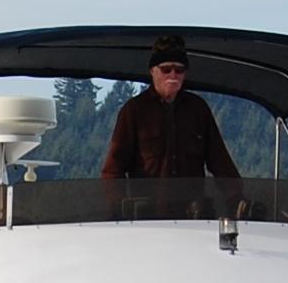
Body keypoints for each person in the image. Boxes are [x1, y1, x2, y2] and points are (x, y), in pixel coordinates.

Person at [100, 36, 241, 180]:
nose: (173, 74)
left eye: (179, 70)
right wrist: (119, 202)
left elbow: (221, 163)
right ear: (152, 71)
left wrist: (237, 199)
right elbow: (112, 171)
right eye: (166, 69)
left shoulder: (199, 109)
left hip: (193, 202)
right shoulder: (133, 110)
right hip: (147, 202)